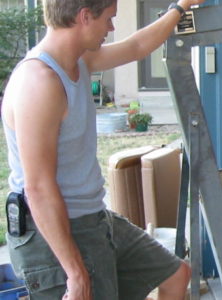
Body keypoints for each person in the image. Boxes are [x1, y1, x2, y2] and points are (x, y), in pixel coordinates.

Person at [1, 0, 203, 299]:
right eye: (109, 19)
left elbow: (135, 46)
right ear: (84, 17)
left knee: (175, 274)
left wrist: (180, 6)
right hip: (54, 233)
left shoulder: (80, 61)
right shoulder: (39, 82)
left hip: (92, 216)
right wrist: (75, 272)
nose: (111, 28)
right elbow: (38, 188)